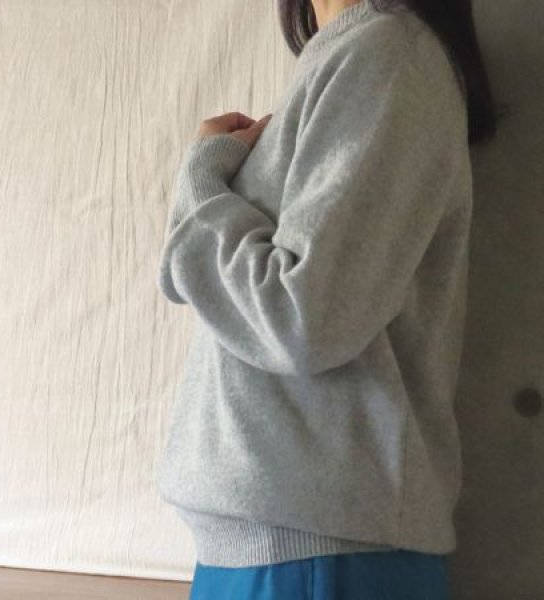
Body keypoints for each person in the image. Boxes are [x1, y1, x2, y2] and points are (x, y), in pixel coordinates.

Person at [156, 0, 499, 598]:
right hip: (286, 548)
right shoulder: (356, 54)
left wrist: (203, 185)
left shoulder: (388, 55)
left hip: (320, 557)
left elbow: (301, 318)